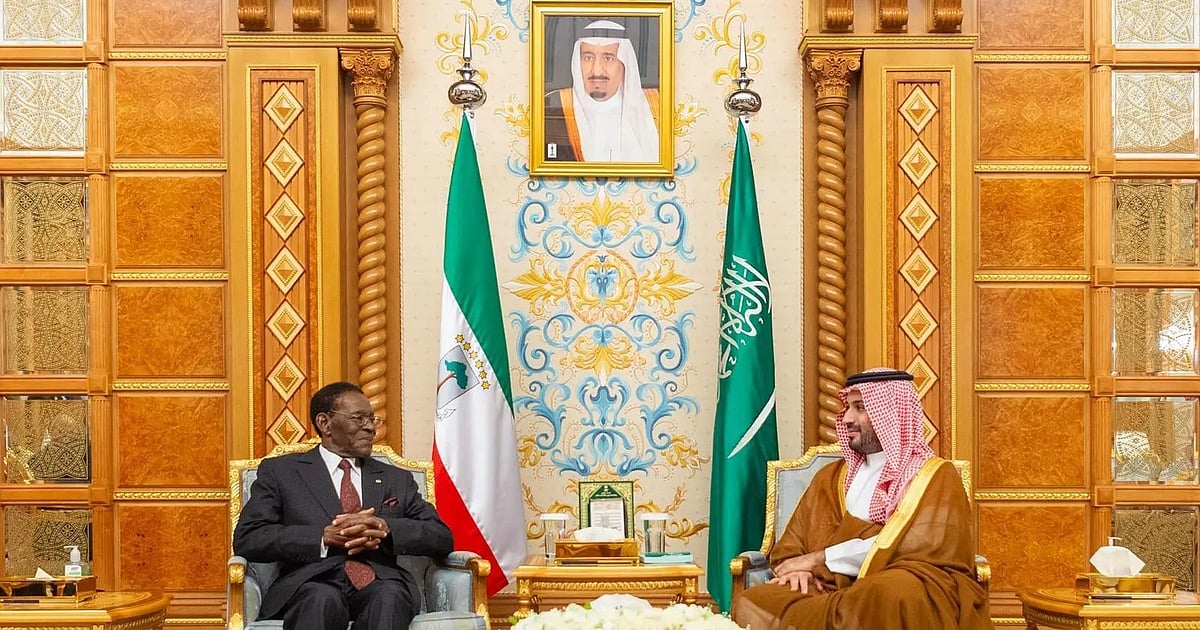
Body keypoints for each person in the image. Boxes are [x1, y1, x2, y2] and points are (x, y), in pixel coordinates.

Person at [731, 369, 991, 629]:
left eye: (860, 408)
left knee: (893, 591)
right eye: (848, 407)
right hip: (830, 586)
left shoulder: (935, 476)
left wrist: (820, 559)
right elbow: (792, 546)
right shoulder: (831, 477)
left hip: (899, 585)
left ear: (890, 414)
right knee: (753, 600)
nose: (847, 418)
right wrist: (800, 569)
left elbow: (915, 548)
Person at [233, 382, 453, 630]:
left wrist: (385, 528)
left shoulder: (395, 478)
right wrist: (322, 537)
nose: (370, 427)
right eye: (358, 418)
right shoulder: (282, 472)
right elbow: (249, 538)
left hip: (380, 581)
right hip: (312, 581)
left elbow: (441, 537)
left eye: (372, 419)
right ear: (325, 423)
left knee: (389, 598)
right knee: (321, 599)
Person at [544, 19, 660, 162]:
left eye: (608, 58)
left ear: (625, 63)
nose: (597, 70)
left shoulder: (656, 106)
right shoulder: (554, 106)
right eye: (588, 58)